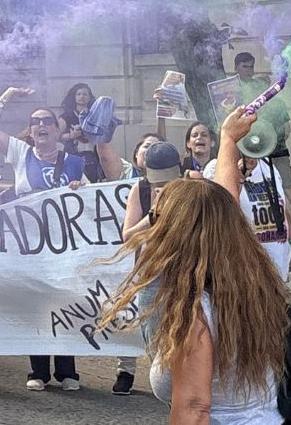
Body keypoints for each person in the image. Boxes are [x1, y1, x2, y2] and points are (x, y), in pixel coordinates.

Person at [99, 109, 287, 423]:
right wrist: (227, 139)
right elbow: (220, 210)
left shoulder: (195, 312)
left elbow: (195, 409)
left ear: (179, 234)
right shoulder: (255, 288)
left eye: (166, 223)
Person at [0, 85, 86, 392]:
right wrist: (7, 95)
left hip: (64, 246)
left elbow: (89, 201)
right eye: (35, 121)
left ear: (57, 129)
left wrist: (80, 188)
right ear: (30, 130)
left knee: (67, 303)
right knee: (37, 303)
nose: (41, 125)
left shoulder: (74, 162)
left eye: (47, 121)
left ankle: (68, 371)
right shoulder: (20, 153)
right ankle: (38, 370)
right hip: (30, 246)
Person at [113, 136, 179, 397]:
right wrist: (153, 215)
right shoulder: (139, 190)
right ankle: (169, 395)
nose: (164, 186)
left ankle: (183, 395)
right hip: (151, 275)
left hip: (185, 273)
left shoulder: (193, 187)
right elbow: (128, 237)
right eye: (159, 181)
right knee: (155, 341)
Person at [203, 115, 291, 281]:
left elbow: (280, 207)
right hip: (244, 262)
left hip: (277, 257)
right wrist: (241, 175)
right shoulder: (217, 168)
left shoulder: (270, 167)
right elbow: (221, 207)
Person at [232, 52, 291, 239]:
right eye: (245, 66)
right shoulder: (235, 96)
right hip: (252, 150)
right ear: (237, 68)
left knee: (288, 185)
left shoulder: (277, 105)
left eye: (251, 66)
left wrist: (278, 139)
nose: (249, 71)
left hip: (277, 149)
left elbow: (286, 127)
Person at [58, 82, 101, 181]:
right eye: (79, 94)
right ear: (74, 97)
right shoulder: (66, 117)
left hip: (92, 156)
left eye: (85, 94)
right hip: (73, 155)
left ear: (89, 97)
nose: (82, 97)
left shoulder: (95, 116)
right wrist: (71, 135)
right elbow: (57, 136)